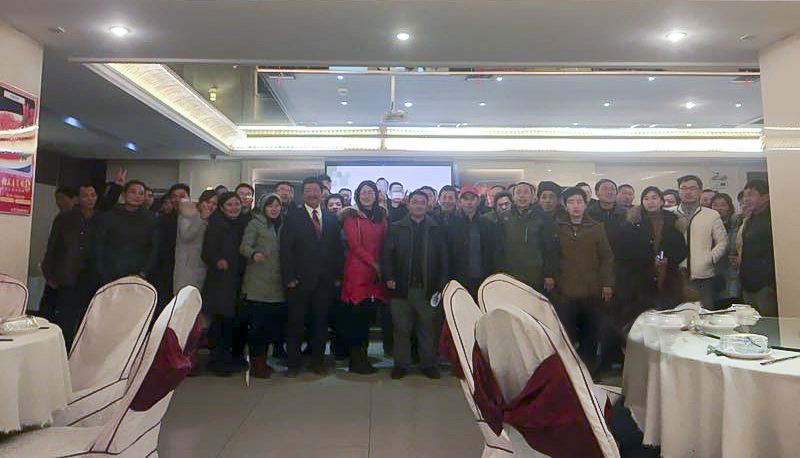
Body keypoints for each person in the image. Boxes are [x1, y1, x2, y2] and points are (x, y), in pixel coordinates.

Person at [40, 180, 124, 347]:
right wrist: (49, 274)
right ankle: (64, 350)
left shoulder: (102, 218)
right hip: (69, 274)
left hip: (94, 275)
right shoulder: (64, 218)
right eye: (85, 196)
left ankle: (84, 351)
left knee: (91, 317)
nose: (90, 199)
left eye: (93, 195)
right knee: (66, 318)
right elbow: (53, 246)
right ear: (77, 199)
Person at [280, 177, 345, 376]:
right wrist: (289, 277)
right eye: (308, 190)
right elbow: (286, 249)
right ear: (303, 194)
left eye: (316, 190)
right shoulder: (293, 217)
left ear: (322, 193)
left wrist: (337, 276)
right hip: (299, 280)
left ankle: (318, 362)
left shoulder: (331, 218)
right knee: (296, 323)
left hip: (325, 281)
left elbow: (337, 250)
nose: (312, 194)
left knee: (321, 323)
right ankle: (293, 364)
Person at [382, 190, 448, 380]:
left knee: (428, 328)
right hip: (401, 286)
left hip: (428, 288)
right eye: (414, 202)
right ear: (408, 205)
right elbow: (386, 255)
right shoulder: (396, 227)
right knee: (401, 328)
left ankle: (429, 364)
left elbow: (444, 259)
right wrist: (389, 277)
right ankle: (401, 364)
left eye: (422, 202)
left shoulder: (437, 228)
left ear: (428, 206)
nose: (418, 205)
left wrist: (441, 284)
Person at [553, 187, 614, 367]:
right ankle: (569, 372)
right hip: (565, 290)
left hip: (591, 289)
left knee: (590, 334)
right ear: (565, 206)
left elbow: (606, 257)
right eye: (571, 202)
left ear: (586, 205)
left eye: (579, 202)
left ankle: (589, 370)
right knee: (566, 334)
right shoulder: (557, 227)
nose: (576, 206)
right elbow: (552, 256)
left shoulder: (596, 227)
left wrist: (607, 284)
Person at [615, 187, 687, 331]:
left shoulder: (673, 221)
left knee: (667, 317)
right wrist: (647, 261)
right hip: (639, 278)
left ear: (661, 201)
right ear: (642, 202)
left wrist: (669, 260)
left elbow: (681, 250)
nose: (650, 201)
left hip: (667, 276)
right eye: (646, 198)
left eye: (654, 198)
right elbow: (622, 252)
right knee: (640, 320)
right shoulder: (632, 223)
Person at [338, 181, 389, 374]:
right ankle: (356, 361)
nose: (367, 195)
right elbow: (354, 245)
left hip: (376, 275)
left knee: (368, 318)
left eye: (370, 192)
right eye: (363, 193)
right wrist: (374, 263)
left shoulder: (381, 217)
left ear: (376, 195)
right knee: (356, 319)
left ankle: (363, 358)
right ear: (357, 196)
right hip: (357, 271)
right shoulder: (351, 217)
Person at [239, 194, 287, 378]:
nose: (274, 209)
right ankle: (256, 364)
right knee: (258, 326)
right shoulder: (255, 224)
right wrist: (253, 254)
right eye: (270, 205)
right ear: (263, 207)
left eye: (277, 205)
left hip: (277, 283)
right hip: (257, 282)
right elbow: (244, 247)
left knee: (270, 326)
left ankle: (264, 361)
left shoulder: (283, 224)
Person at [202, 192, 248, 375]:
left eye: (237, 204)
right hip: (221, 280)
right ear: (222, 207)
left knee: (237, 320)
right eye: (229, 204)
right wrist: (217, 260)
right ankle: (218, 361)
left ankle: (235, 357)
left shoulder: (245, 223)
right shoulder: (215, 224)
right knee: (221, 320)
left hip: (241, 278)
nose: (234, 208)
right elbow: (206, 252)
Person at [672, 175, 728, 309]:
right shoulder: (670, 214)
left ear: (700, 191)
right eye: (684, 188)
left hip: (703, 277)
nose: (688, 192)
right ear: (679, 191)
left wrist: (710, 258)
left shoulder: (711, 215)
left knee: (704, 313)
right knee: (677, 315)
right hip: (675, 276)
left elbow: (723, 241)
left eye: (693, 188)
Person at [495, 182, 558, 291]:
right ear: (513, 197)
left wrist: (549, 275)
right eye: (518, 192)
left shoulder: (542, 218)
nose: (522, 196)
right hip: (511, 274)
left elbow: (549, 249)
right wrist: (500, 272)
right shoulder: (504, 218)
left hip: (536, 274)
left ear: (533, 197)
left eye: (526, 192)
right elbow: (499, 248)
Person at [94, 180, 159, 285]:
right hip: (110, 273)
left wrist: (144, 272)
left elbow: (154, 248)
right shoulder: (109, 216)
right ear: (124, 195)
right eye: (133, 192)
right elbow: (99, 246)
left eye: (141, 193)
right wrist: (103, 272)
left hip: (139, 274)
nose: (137, 196)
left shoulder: (151, 218)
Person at [448, 186, 496, 298]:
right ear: (459, 202)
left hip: (482, 276)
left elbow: (492, 251)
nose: (469, 202)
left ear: (478, 201)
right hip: (459, 277)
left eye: (472, 199)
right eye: (465, 199)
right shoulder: (451, 224)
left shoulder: (486, 223)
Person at [738, 180, 777, 316]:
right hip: (747, 282)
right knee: (751, 322)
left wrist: (770, 285)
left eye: (751, 195)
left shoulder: (774, 219)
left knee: (768, 324)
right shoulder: (750, 218)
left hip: (765, 285)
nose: (746, 199)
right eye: (745, 195)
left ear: (766, 197)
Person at [153, 183, 190, 311]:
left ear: (189, 197)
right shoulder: (162, 220)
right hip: (166, 271)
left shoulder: (197, 218)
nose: (178, 199)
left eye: (182, 196)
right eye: (174, 196)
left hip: (189, 271)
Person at [174, 189, 216, 294]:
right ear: (201, 201)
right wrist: (202, 219)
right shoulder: (188, 214)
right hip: (187, 267)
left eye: (214, 204)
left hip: (204, 266)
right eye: (208, 202)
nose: (210, 206)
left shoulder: (214, 219)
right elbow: (186, 236)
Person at [711, 193, 739, 299]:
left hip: (731, 268)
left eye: (723, 205)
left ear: (729, 207)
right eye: (715, 205)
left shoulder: (736, 223)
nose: (719, 208)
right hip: (713, 269)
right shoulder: (707, 225)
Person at [587, 178, 627, 252]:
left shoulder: (626, 213)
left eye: (613, 189)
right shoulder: (588, 213)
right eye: (604, 189)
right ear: (597, 193)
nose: (609, 192)